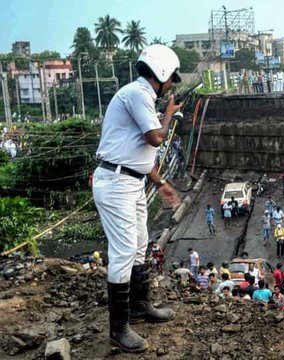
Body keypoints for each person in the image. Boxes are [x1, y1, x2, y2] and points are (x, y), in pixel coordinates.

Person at [92, 44, 181, 352]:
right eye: (171, 78)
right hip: (116, 182)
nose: (172, 85)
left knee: (141, 242)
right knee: (124, 250)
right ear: (161, 74)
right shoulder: (138, 94)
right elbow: (155, 138)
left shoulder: (141, 97)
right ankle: (118, 329)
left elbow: (140, 153)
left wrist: (160, 183)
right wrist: (168, 115)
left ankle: (140, 307)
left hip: (131, 180)